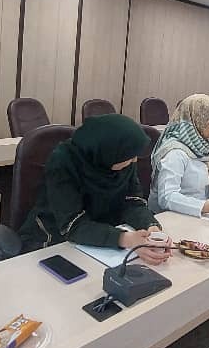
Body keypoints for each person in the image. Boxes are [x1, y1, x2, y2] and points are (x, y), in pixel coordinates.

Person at [18, 114, 171, 265]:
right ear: (109, 151)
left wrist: (150, 226)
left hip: (102, 238)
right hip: (56, 240)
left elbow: (132, 202)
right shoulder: (63, 162)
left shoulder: (120, 159)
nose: (134, 160)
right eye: (130, 156)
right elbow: (73, 225)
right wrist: (125, 239)